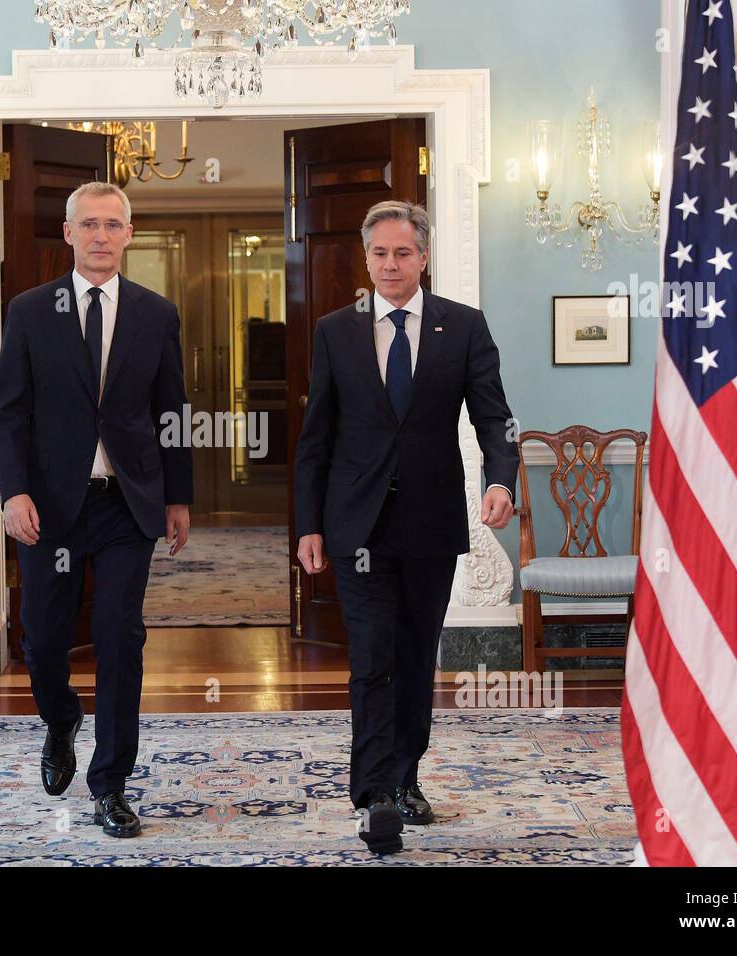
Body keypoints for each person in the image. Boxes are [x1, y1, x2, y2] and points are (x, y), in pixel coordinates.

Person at [294, 200, 518, 855]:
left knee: (416, 656)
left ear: (423, 257)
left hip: (430, 520)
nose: (390, 264)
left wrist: (499, 480)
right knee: (371, 659)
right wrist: (308, 524)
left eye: (403, 253)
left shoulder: (464, 327)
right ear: (366, 260)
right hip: (355, 522)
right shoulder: (337, 330)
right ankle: (376, 795)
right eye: (379, 254)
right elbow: (316, 438)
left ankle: (407, 774)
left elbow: (494, 419)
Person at [0, 181, 192, 838]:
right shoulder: (27, 311)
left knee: (119, 638)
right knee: (42, 641)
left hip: (126, 504)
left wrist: (178, 496)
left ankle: (111, 785)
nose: (102, 236)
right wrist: (12, 491)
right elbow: (8, 412)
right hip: (48, 506)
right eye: (90, 225)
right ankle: (61, 718)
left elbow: (171, 414)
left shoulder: (156, 313)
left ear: (129, 235)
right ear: (69, 233)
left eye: (114, 225)